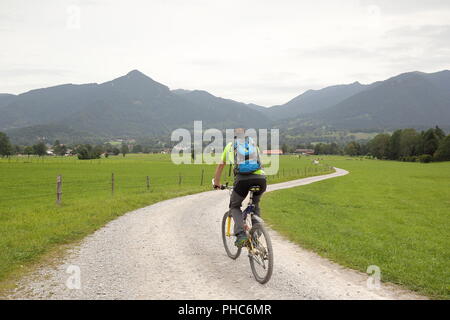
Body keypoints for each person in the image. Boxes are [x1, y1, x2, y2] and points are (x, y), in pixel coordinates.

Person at [213, 128, 267, 247]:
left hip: (242, 180)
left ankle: (241, 234)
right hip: (261, 179)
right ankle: (256, 234)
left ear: (235, 137)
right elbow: (261, 165)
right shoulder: (253, 145)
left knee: (235, 206)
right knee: (255, 205)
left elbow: (221, 165)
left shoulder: (231, 146)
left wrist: (216, 182)